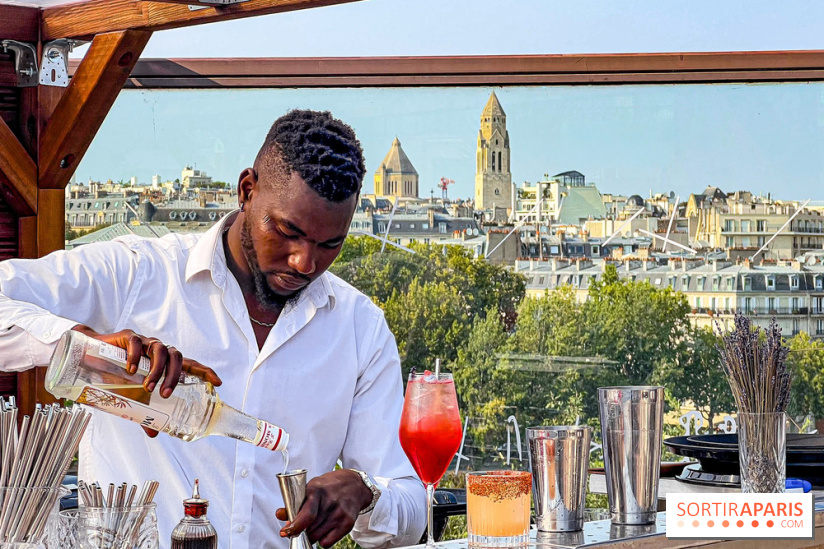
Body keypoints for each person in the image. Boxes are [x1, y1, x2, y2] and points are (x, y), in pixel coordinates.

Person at [0, 109, 426, 549]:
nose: (305, 262)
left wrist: (365, 492)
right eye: (286, 231)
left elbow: (411, 505)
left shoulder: (359, 327)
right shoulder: (137, 274)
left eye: (329, 244)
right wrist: (84, 345)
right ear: (247, 190)